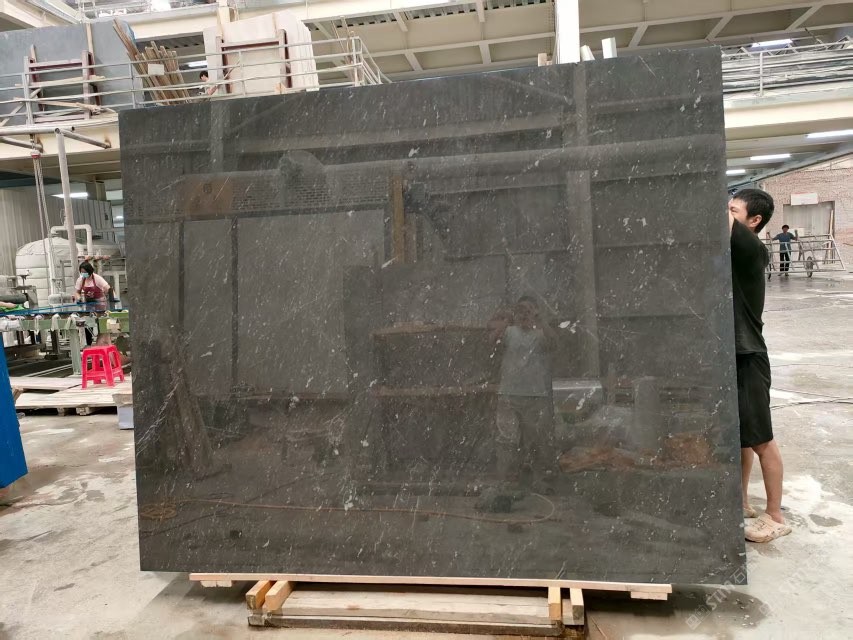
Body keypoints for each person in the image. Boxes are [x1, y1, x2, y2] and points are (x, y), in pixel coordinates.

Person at [728, 188, 791, 543]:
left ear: (754, 221)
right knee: (741, 438)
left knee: (761, 440)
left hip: (749, 357)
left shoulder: (752, 246)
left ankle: (775, 516)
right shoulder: (735, 251)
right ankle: (740, 501)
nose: (727, 214)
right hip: (735, 354)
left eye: (733, 210)